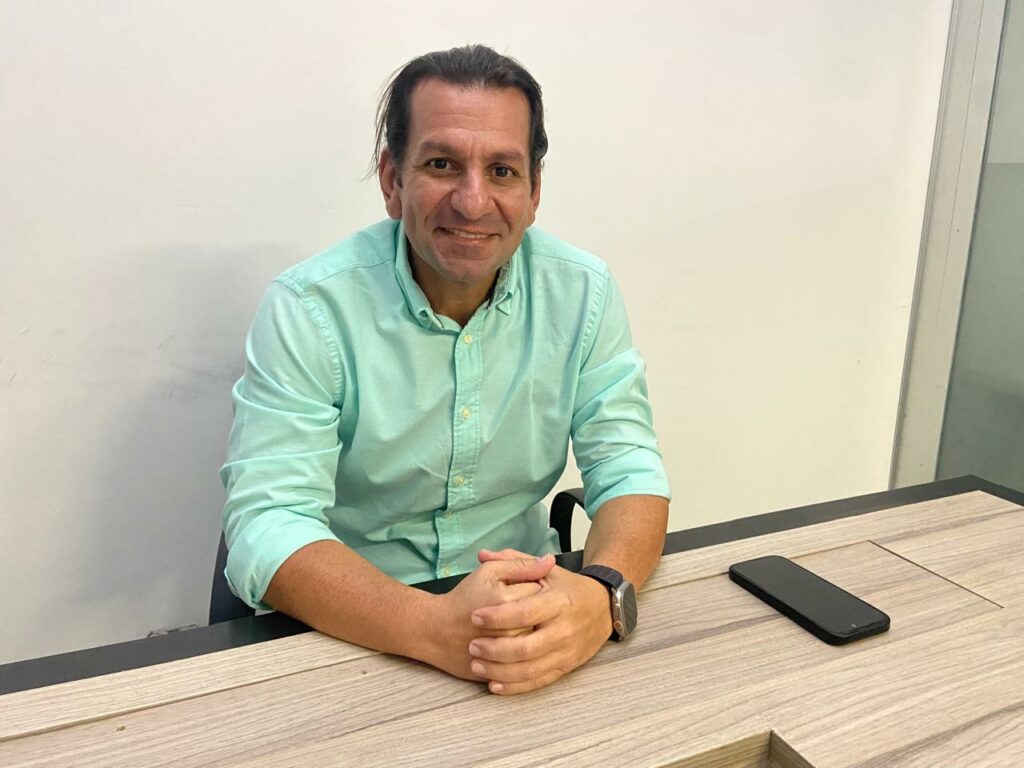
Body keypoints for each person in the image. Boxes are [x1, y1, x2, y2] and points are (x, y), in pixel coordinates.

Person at [220, 44, 670, 695]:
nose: (473, 200)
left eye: (503, 171)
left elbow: (631, 471)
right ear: (391, 181)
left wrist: (602, 596)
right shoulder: (309, 308)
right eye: (441, 164)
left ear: (534, 192)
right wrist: (433, 627)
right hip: (355, 631)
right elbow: (268, 524)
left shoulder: (584, 293)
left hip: (529, 616)